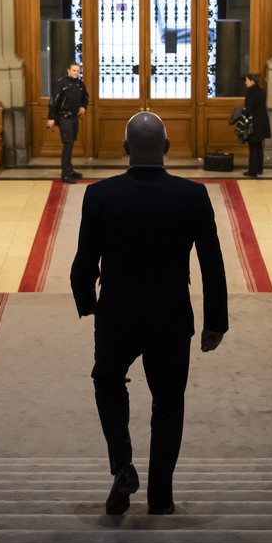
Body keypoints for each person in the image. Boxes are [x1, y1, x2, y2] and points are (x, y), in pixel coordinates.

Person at [70, 112, 228, 516]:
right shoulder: (192, 196)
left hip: (117, 313)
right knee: (169, 402)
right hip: (170, 317)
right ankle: (161, 496)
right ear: (168, 148)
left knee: (107, 381)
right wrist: (215, 323)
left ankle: (123, 464)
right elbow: (213, 265)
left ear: (124, 150)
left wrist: (86, 302)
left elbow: (84, 261)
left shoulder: (100, 195)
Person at [46, 61, 88, 183]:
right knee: (67, 144)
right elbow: (54, 102)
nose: (76, 73)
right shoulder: (61, 84)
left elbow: (85, 97)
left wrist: (83, 107)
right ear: (68, 71)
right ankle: (65, 174)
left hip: (74, 117)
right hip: (64, 118)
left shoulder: (80, 84)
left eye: (78, 71)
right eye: (74, 70)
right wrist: (51, 118)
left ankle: (70, 170)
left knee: (71, 143)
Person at [241, 72, 270, 177]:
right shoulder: (261, 91)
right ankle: (259, 169)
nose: (245, 82)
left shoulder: (251, 92)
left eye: (247, 80)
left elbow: (248, 108)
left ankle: (252, 171)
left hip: (254, 123)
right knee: (259, 146)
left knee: (253, 146)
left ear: (252, 82)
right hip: (262, 121)